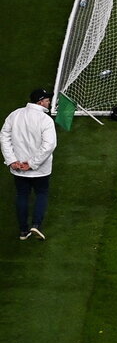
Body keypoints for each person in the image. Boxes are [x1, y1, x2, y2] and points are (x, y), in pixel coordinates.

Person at [1, 89, 57, 240]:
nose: (49, 102)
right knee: (41, 194)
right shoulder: (45, 120)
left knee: (22, 195)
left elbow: (4, 137)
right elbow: (49, 145)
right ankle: (36, 225)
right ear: (40, 102)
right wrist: (32, 164)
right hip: (40, 169)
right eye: (47, 100)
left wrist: (12, 160)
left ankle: (23, 231)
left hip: (18, 168)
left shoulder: (15, 114)